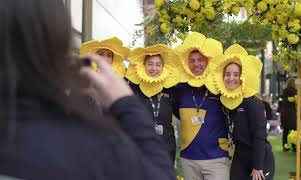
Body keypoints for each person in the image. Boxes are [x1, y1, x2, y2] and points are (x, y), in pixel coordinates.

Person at [0, 0, 175, 180]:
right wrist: (127, 103)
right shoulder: (92, 146)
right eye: (102, 55)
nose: (106, 59)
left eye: (109, 56)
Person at [208, 44, 275, 180]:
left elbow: (259, 136)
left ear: (243, 77)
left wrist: (258, 166)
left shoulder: (253, 102)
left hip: (260, 158)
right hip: (240, 157)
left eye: (236, 74)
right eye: (227, 74)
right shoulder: (225, 101)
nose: (231, 78)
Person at [174, 32, 229, 180]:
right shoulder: (180, 88)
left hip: (216, 158)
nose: (196, 64)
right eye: (192, 60)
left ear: (208, 61)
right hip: (189, 159)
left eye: (200, 60)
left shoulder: (219, 87)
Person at [126, 44, 182, 163]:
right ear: (143, 66)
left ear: (163, 67)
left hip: (166, 148)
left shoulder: (171, 89)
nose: (154, 68)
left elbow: (182, 114)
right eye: (150, 64)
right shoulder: (133, 88)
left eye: (158, 64)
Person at [281, 78, 297, 152]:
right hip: (292, 112)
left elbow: (283, 102)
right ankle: (294, 146)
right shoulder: (295, 91)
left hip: (285, 112)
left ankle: (285, 146)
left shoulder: (285, 90)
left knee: (286, 131)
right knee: (294, 130)